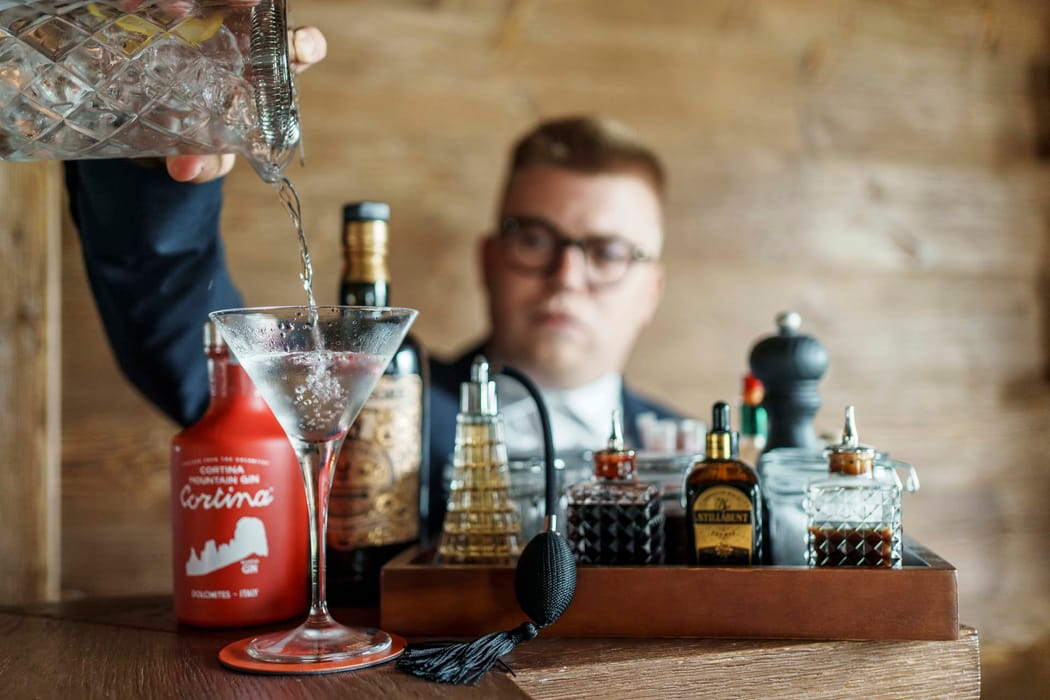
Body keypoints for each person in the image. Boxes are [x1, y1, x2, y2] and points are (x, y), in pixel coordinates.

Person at [67, 58, 681, 532]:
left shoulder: (701, 462)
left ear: (653, 291)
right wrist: (160, 149)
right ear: (488, 261)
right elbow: (181, 333)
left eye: (607, 252)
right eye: (536, 240)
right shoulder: (367, 403)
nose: (567, 277)